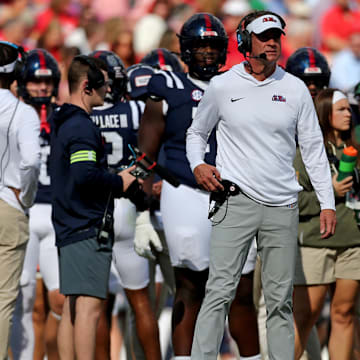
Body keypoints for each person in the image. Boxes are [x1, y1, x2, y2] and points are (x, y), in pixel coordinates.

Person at [186, 10, 337, 360]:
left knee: (280, 300)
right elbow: (196, 132)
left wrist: (327, 202)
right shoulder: (223, 85)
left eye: (276, 37)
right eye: (264, 36)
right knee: (219, 293)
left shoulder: (295, 87)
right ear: (244, 40)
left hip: (282, 206)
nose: (272, 43)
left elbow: (313, 149)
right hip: (233, 201)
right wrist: (198, 164)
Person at [139, 13, 260, 360]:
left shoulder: (238, 85)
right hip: (185, 194)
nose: (207, 53)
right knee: (190, 286)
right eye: (200, 46)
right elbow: (145, 158)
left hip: (234, 193)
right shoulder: (167, 88)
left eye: (212, 46)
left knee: (241, 288)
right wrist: (143, 214)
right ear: (185, 50)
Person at [49, 55, 141, 360]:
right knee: (88, 308)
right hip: (85, 224)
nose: (108, 90)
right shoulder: (80, 126)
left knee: (73, 306)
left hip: (69, 221)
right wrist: (120, 182)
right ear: (87, 86)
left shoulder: (63, 118)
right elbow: (84, 175)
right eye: (102, 84)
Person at [89, 50, 164, 360]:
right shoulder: (136, 110)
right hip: (130, 206)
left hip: (93, 210)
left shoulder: (79, 113)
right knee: (141, 302)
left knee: (98, 305)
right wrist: (132, 177)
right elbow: (150, 153)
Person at [293, 88, 360, 360]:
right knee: (304, 317)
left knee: (344, 314)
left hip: (353, 242)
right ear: (324, 113)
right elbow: (292, 203)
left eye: (349, 109)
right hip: (315, 243)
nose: (349, 114)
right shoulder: (306, 151)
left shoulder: (356, 148)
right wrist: (329, 191)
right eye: (342, 109)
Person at [0, 41, 41, 359]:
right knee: (2, 299)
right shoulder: (23, 112)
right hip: (8, 206)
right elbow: (30, 162)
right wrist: (25, 197)